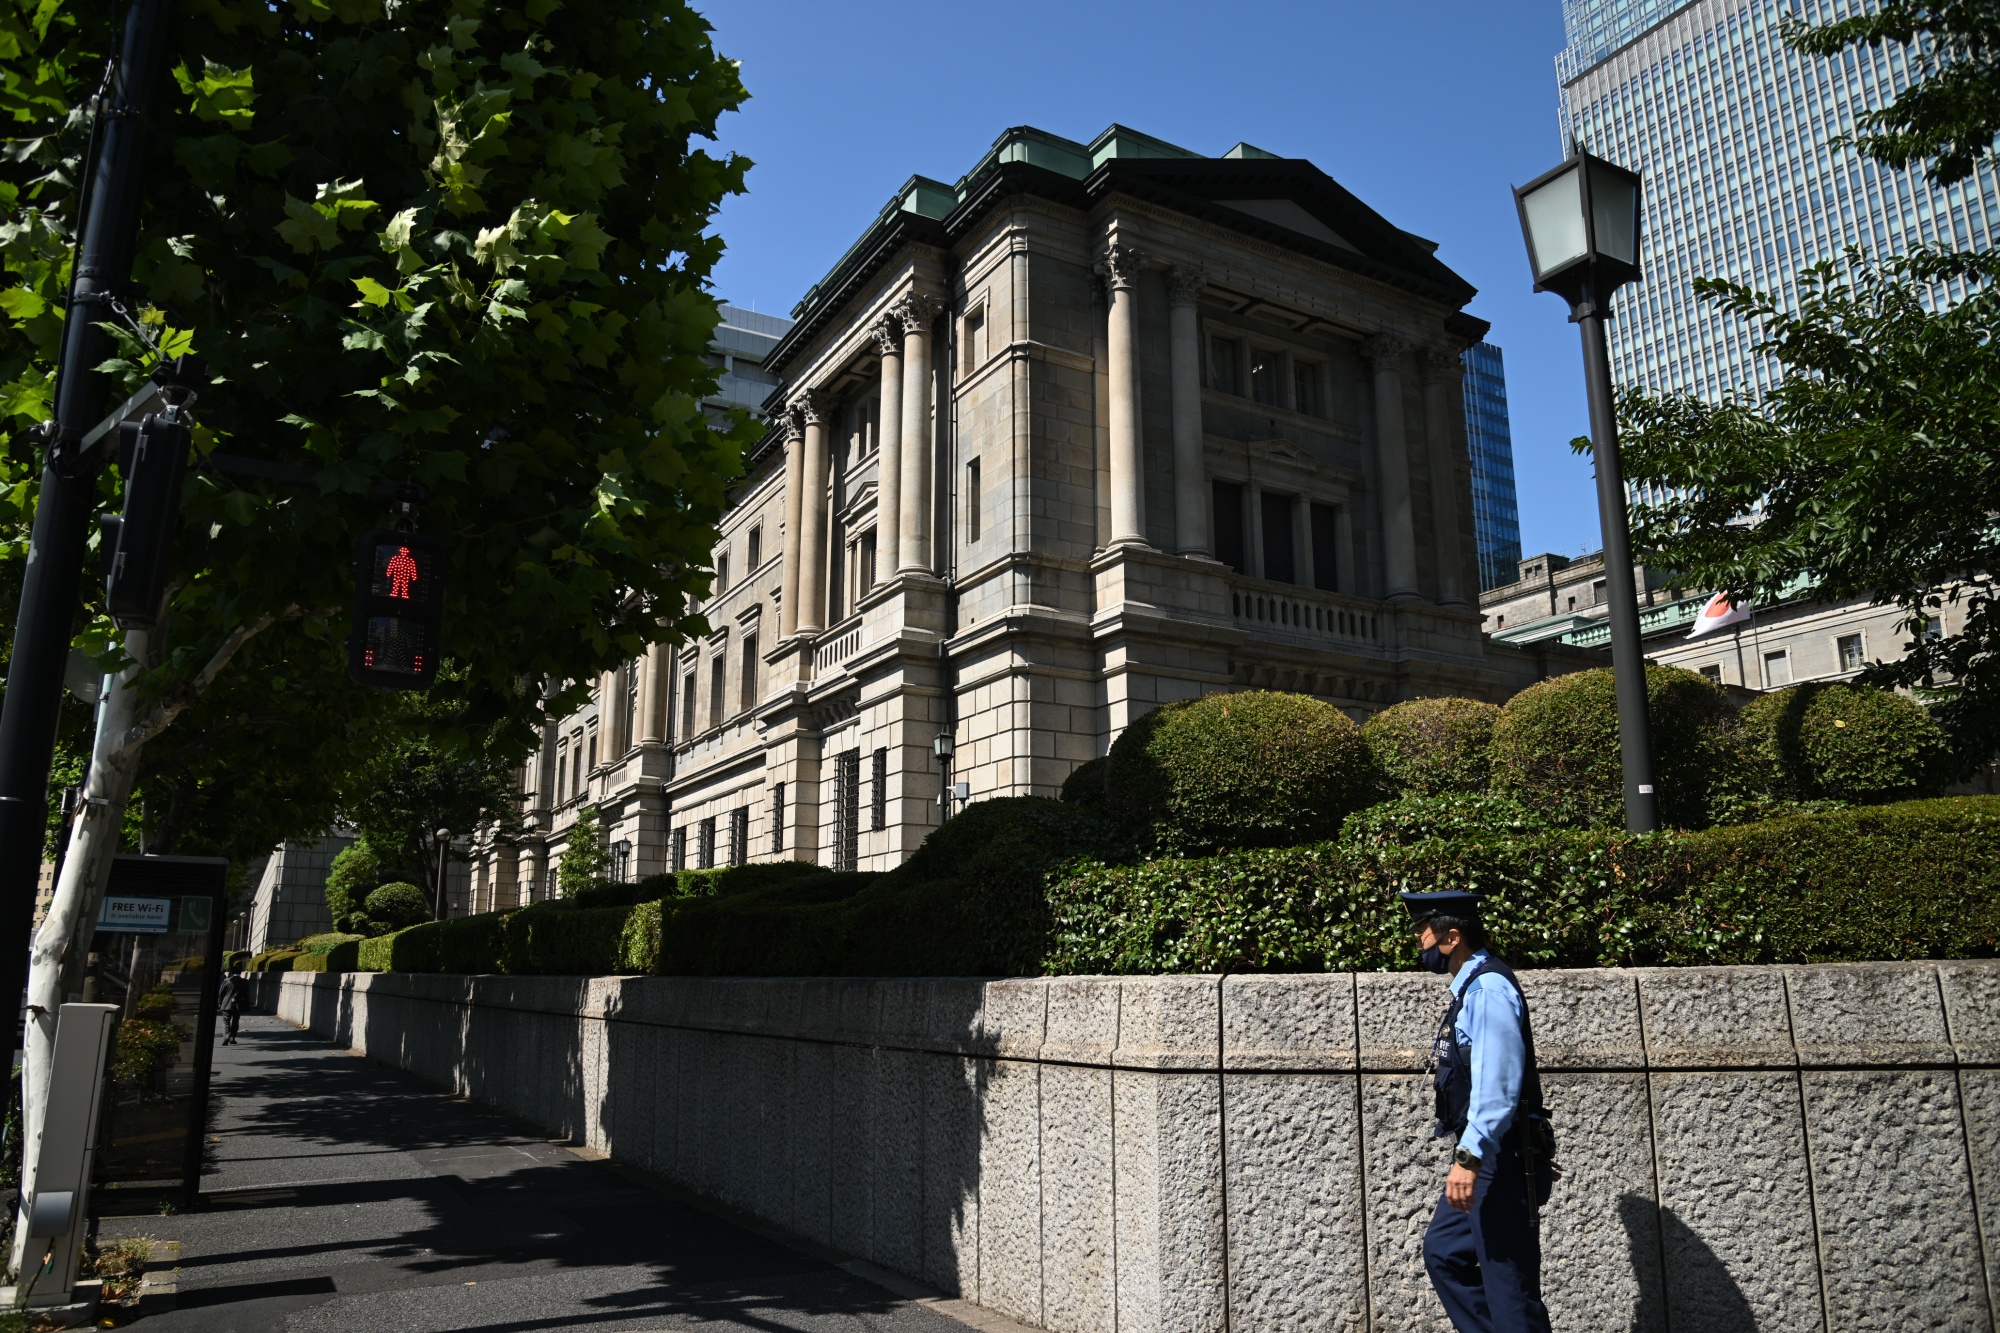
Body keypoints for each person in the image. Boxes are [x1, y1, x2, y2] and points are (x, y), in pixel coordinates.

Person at [1401, 889, 1555, 1333]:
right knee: (1445, 1253)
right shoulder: (1472, 987)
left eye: (1424, 932)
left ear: (1452, 937)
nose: (1419, 941)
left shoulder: (1488, 989)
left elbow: (1498, 1088)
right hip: (1495, 1156)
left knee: (1510, 1291)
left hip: (1497, 1159)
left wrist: (1469, 1158)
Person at [217, 961, 244, 1046]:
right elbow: (246, 994)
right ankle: (232, 1038)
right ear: (241, 972)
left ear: (231, 972)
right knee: (235, 1021)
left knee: (226, 1021)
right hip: (237, 1004)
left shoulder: (226, 981)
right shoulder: (244, 982)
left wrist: (220, 1003)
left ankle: (226, 1036)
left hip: (226, 1004)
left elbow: (221, 993)